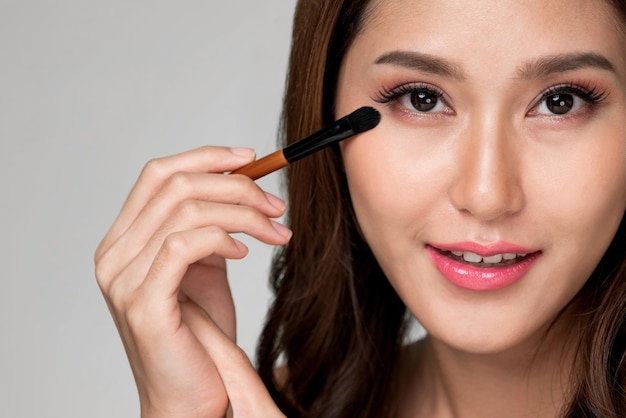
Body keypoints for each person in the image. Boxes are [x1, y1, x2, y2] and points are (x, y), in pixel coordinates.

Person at [94, 0, 626, 416]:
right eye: (422, 99)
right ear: (327, 116)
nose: (486, 195)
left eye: (562, 101)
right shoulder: (255, 406)